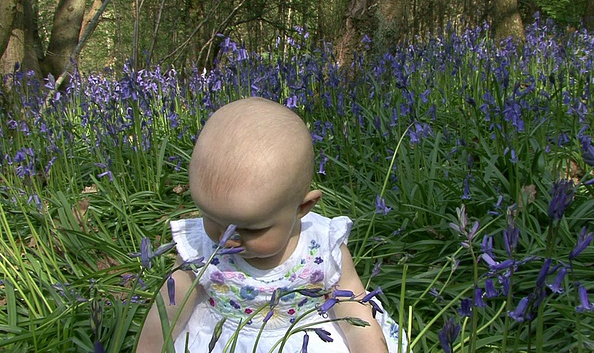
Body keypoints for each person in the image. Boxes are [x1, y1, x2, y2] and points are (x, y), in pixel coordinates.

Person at [137, 97, 405, 352]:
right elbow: (168, 309)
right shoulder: (198, 251)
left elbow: (353, 307)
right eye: (211, 218)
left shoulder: (322, 245)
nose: (225, 238)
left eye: (251, 229)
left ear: (302, 208)